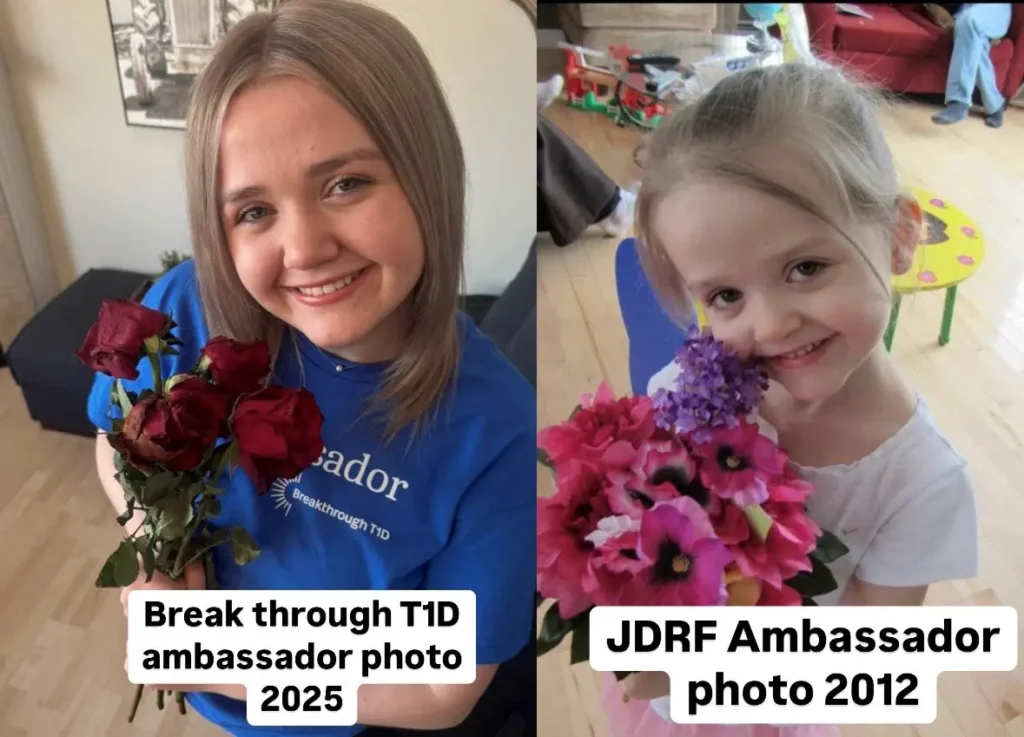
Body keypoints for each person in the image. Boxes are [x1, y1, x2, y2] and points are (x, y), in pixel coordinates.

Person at [85, 1, 536, 735]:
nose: (304, 248)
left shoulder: (501, 431)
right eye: (254, 211)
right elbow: (113, 438)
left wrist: (212, 658)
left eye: (345, 184)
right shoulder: (188, 310)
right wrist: (149, 550)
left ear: (426, 176)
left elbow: (441, 688)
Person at [601, 62, 979, 736]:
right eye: (725, 296)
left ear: (898, 236)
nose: (772, 325)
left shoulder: (922, 481)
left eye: (805, 268)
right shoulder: (687, 396)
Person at [931, 3, 1013, 128]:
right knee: (969, 31)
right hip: (968, 9)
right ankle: (995, 104)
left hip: (996, 9)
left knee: (969, 21)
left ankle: (959, 101)